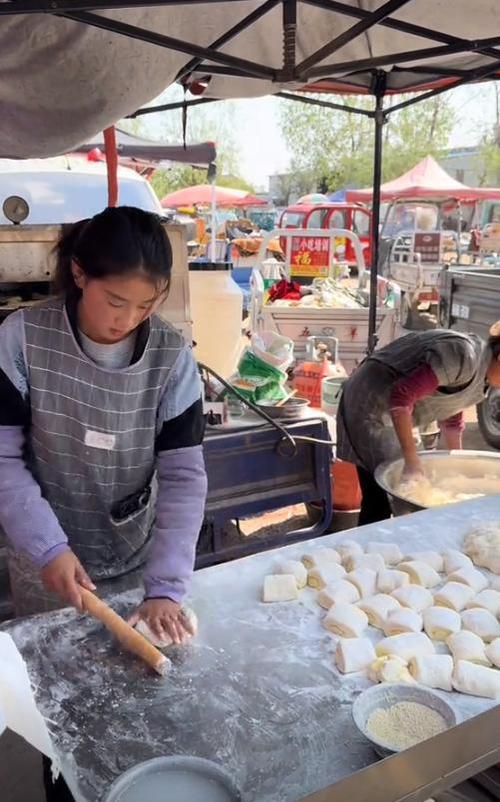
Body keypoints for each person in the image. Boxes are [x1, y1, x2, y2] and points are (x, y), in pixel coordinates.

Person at [0, 207, 207, 801]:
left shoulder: (170, 355)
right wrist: (46, 548)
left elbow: (185, 476)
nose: (130, 319)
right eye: (117, 301)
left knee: (136, 715)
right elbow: (4, 460)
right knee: (60, 720)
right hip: (48, 565)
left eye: (147, 305)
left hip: (135, 558)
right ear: (80, 274)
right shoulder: (22, 338)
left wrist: (166, 584)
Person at [336, 325, 500, 526]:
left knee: (409, 474)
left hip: (393, 407)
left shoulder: (483, 373)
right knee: (383, 493)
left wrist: (457, 461)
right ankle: (369, 544)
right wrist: (412, 462)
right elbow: (401, 397)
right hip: (371, 399)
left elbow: (452, 406)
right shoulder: (463, 355)